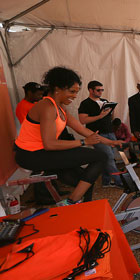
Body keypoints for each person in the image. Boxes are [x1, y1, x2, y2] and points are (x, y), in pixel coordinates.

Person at [14, 66, 119, 205]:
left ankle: (83, 210)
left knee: (86, 180)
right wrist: (83, 142)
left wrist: (111, 143)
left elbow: (82, 130)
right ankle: (71, 201)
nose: (75, 96)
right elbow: (50, 144)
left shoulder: (60, 108)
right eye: (72, 91)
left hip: (42, 152)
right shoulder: (47, 107)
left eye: (76, 92)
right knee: (100, 157)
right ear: (57, 89)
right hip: (31, 155)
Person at [78, 80, 122, 187]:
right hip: (97, 134)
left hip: (109, 132)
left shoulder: (105, 101)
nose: (101, 92)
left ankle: (106, 181)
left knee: (108, 158)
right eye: (98, 90)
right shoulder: (85, 103)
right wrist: (100, 116)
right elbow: (83, 120)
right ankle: (120, 182)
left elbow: (110, 116)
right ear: (90, 90)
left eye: (102, 90)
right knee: (109, 157)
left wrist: (110, 112)